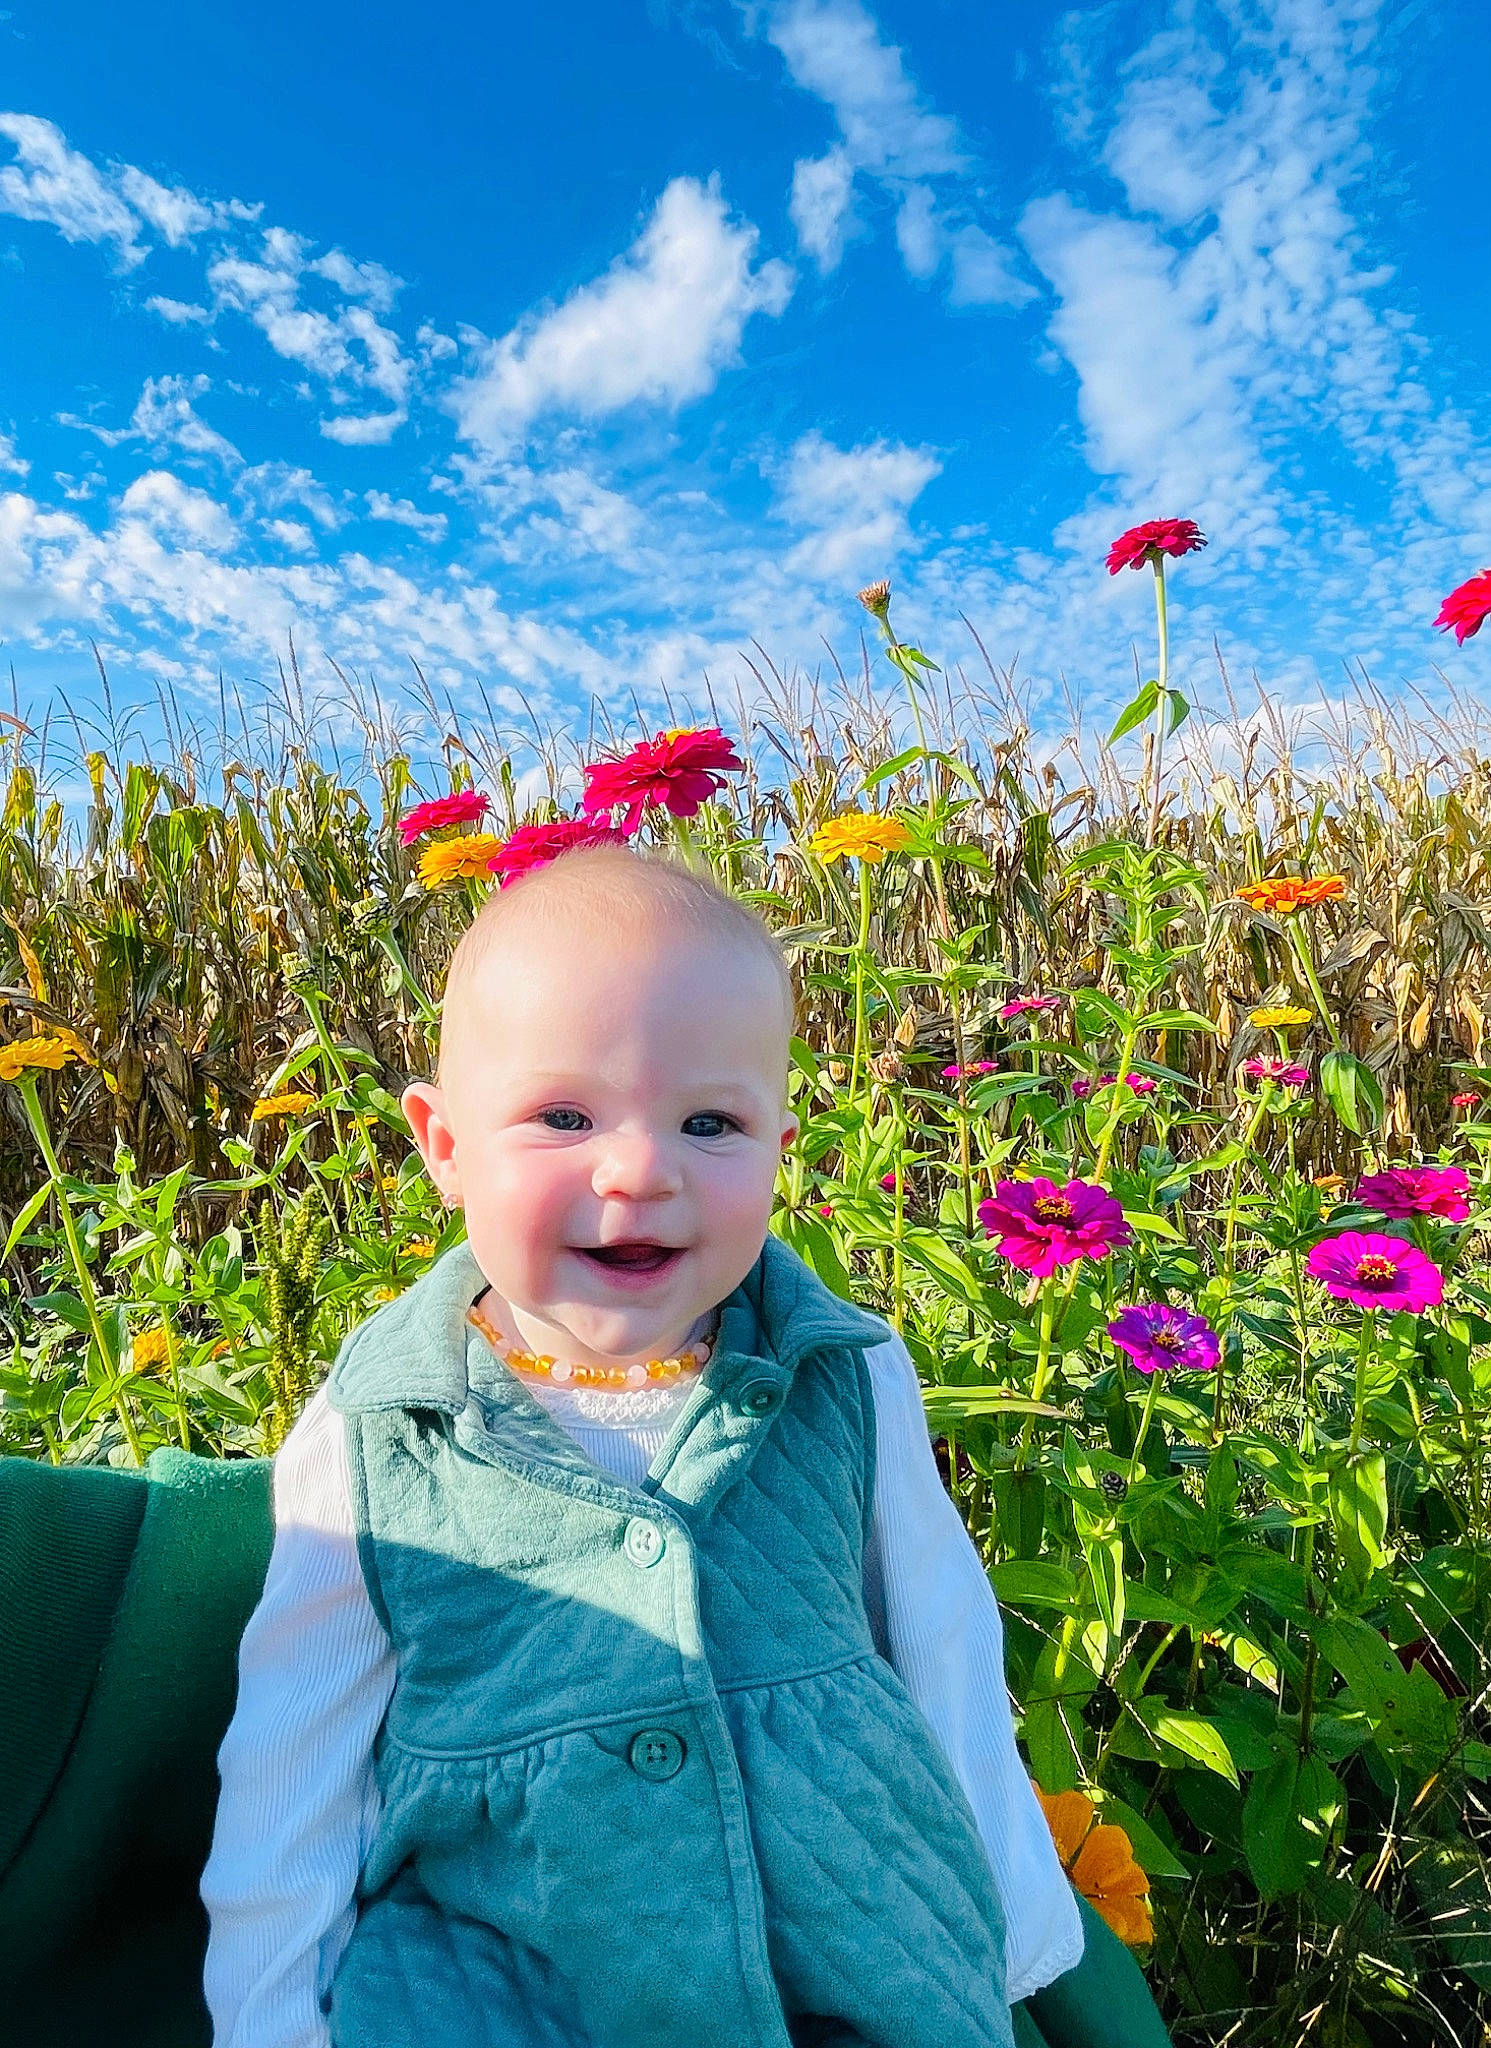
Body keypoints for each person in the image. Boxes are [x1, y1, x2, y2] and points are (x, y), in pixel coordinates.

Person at [200, 843, 1141, 2048]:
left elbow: (942, 1643)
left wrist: (1011, 1937)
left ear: (781, 1143)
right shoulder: (374, 1429)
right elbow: (296, 1772)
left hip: (848, 1943)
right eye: (564, 1116)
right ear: (443, 1146)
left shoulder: (843, 1374)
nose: (641, 1168)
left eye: (710, 1121)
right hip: (503, 1973)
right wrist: (271, 2026)